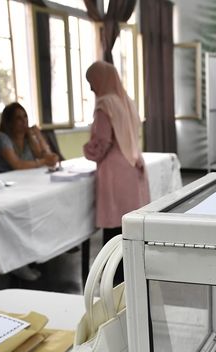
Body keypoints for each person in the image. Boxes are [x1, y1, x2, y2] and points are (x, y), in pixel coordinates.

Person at [83, 61, 150, 282]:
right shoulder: (127, 101)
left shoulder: (105, 104)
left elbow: (101, 142)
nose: (92, 88)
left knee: (113, 230)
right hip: (133, 166)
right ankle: (131, 273)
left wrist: (87, 150)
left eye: (92, 82)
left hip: (114, 172)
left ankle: (114, 280)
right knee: (128, 228)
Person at [0, 102, 59, 172]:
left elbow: (45, 156)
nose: (24, 121)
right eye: (19, 118)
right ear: (9, 122)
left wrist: (39, 136)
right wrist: (43, 161)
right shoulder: (2, 138)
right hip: (4, 180)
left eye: (25, 116)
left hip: (24, 178)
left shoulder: (28, 137)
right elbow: (17, 165)